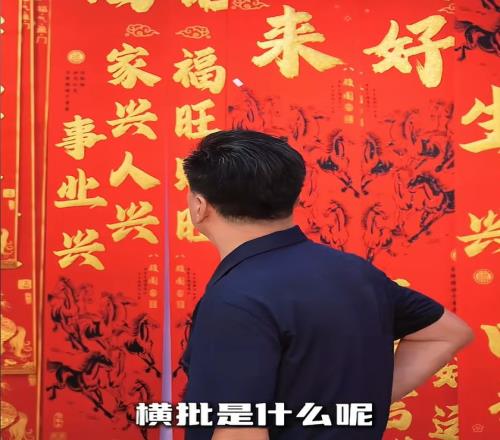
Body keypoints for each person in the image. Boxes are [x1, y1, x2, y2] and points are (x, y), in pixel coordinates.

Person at [180, 129, 473, 440]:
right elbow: (448, 333)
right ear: (294, 198)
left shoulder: (235, 299)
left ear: (200, 206)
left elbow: (240, 431)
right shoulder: (356, 272)